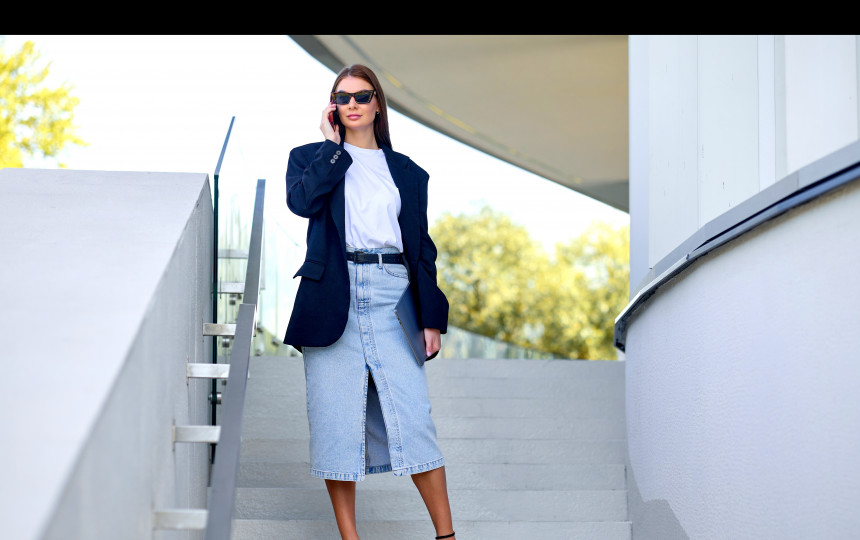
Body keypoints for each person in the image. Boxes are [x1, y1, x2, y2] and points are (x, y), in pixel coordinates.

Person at [282, 64, 456, 540]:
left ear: (378, 103)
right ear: (332, 107)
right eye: (342, 97)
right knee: (335, 424)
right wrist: (332, 148)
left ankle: (446, 536)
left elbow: (421, 248)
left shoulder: (408, 172)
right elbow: (302, 204)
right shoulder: (311, 157)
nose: (352, 104)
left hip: (392, 293)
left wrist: (431, 317)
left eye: (362, 96)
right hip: (332, 295)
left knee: (414, 419)